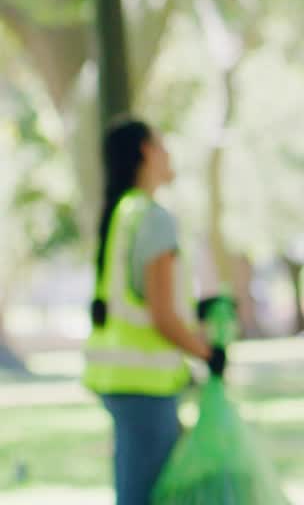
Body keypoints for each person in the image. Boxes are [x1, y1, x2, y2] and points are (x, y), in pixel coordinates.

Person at [83, 117, 224, 505]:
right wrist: (208, 353)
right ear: (146, 150)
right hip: (145, 385)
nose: (168, 153)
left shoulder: (123, 213)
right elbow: (161, 316)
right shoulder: (152, 217)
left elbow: (141, 299)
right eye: (163, 144)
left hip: (120, 381)